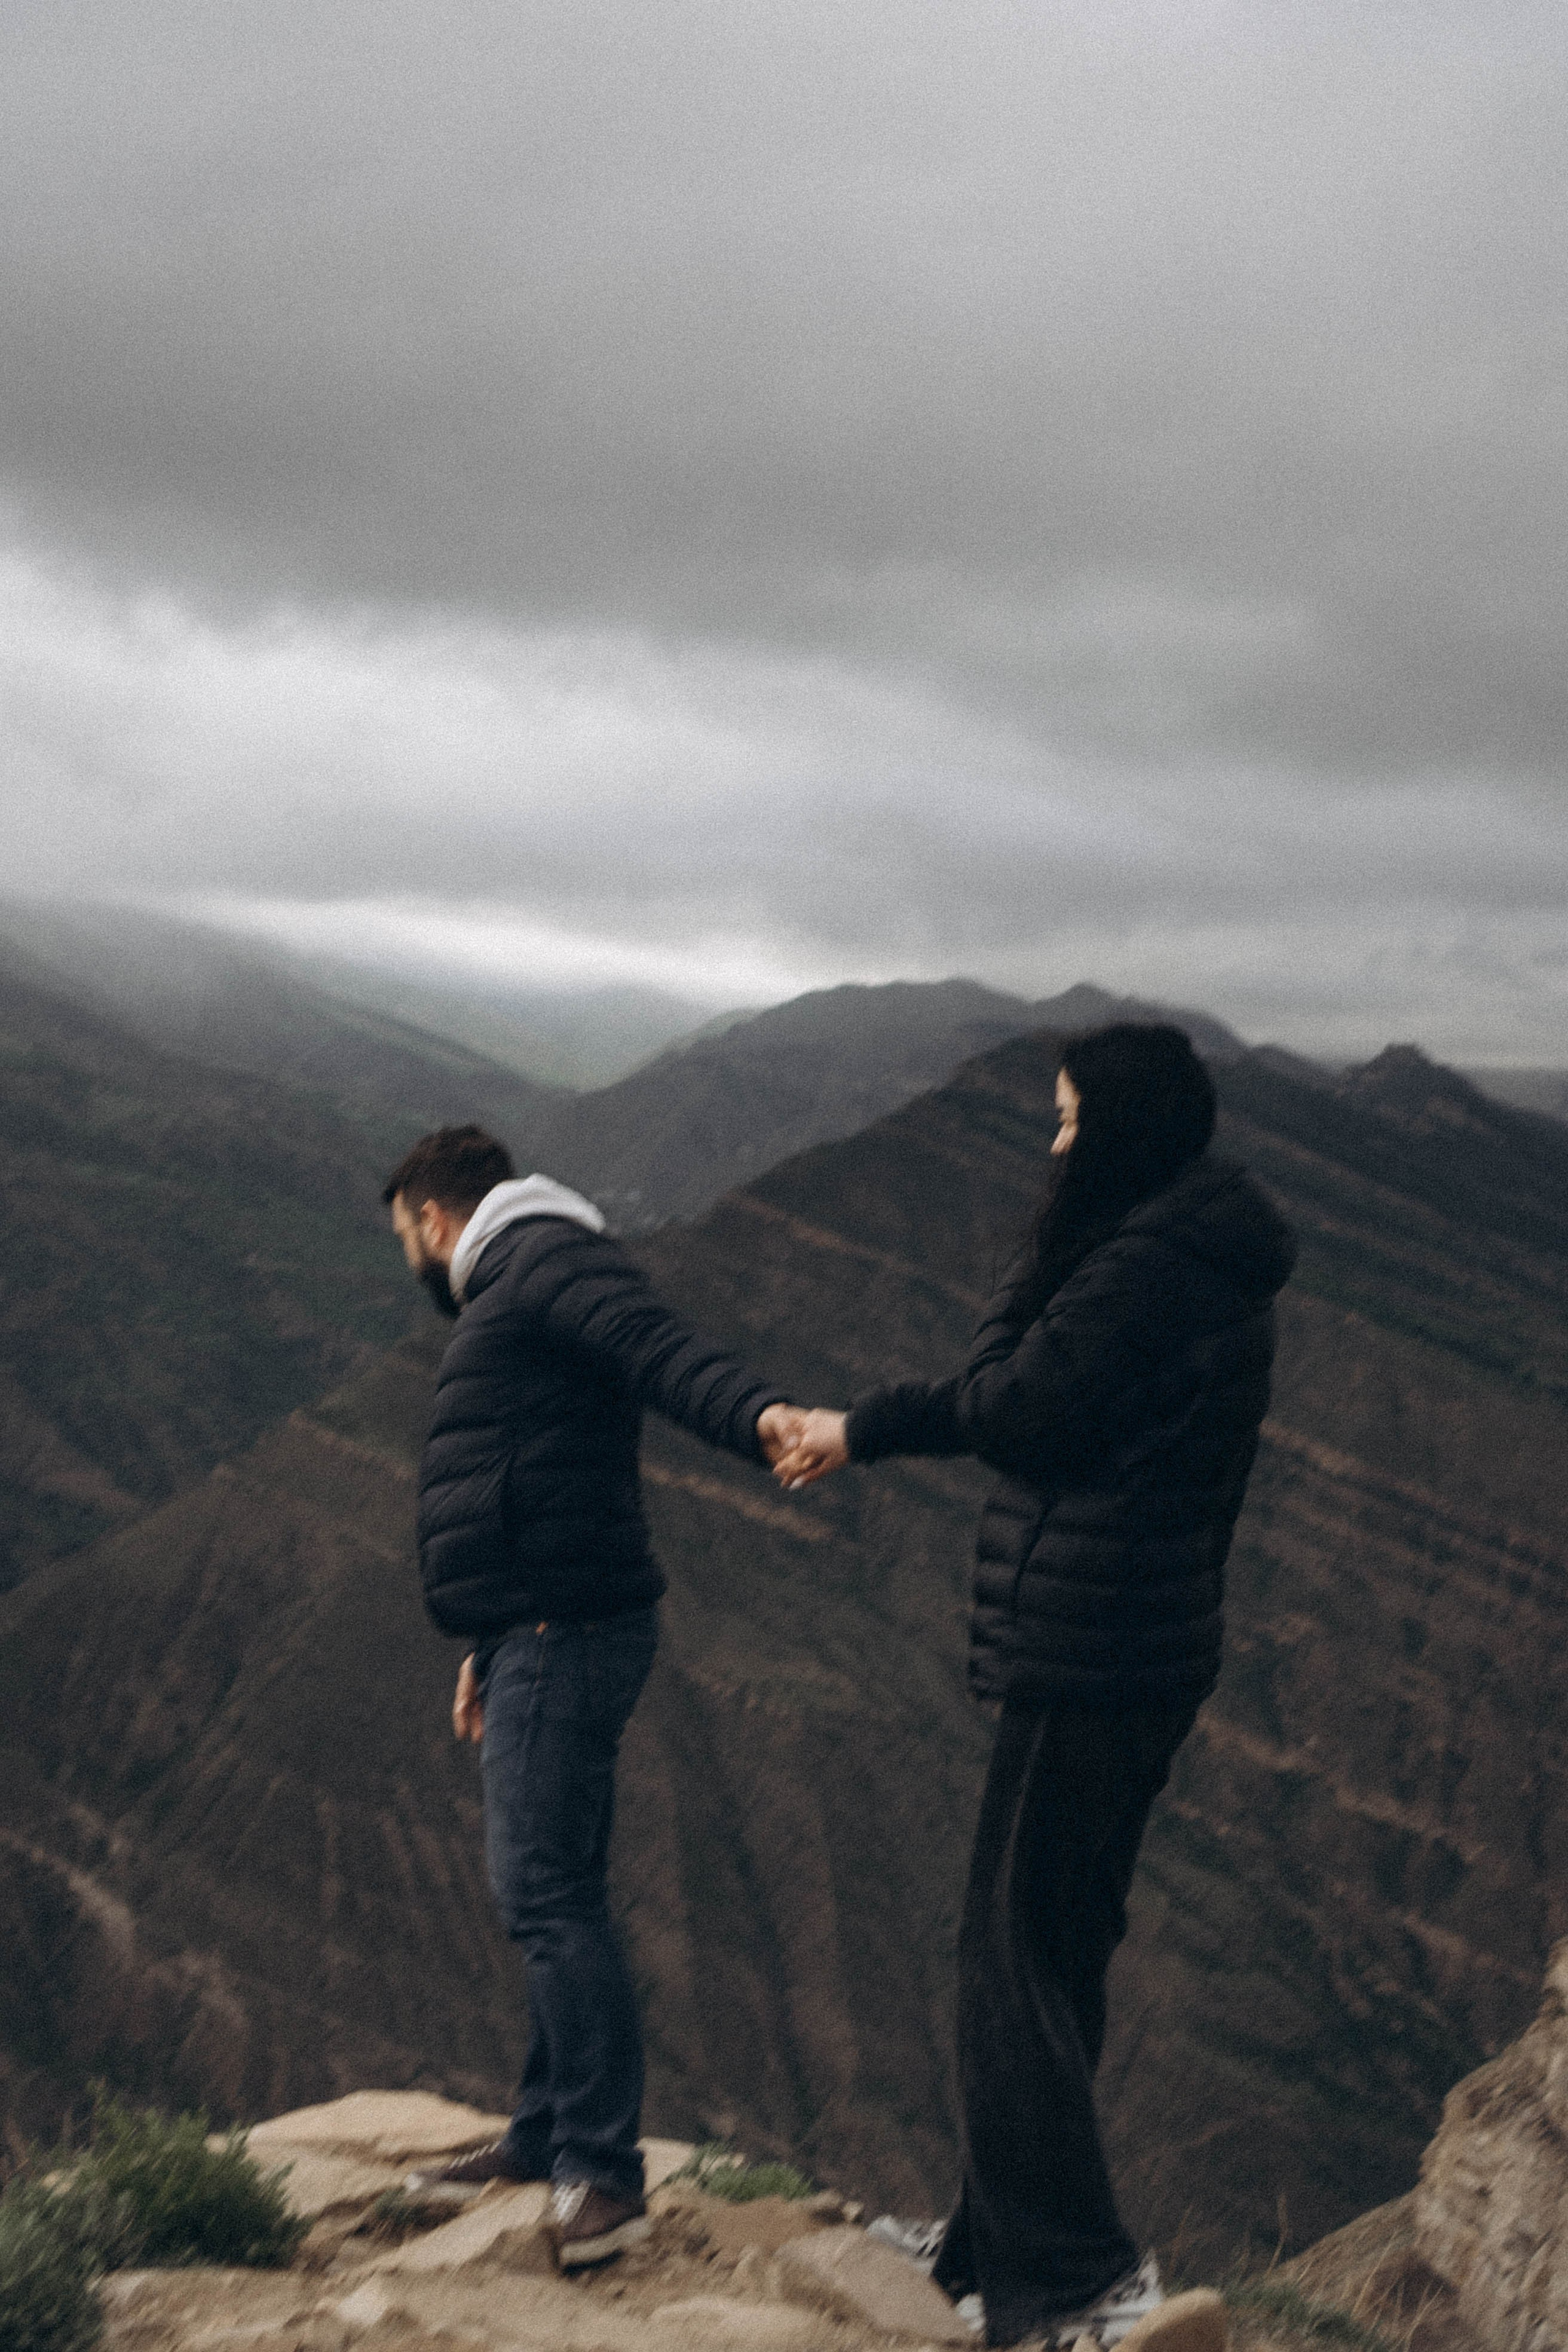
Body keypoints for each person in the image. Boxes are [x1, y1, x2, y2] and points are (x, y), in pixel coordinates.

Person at [774, 1024, 1296, 2351]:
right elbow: (1029, 1379)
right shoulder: (1176, 1249)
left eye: (1069, 1124)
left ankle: (1079, 2281)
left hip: (1096, 1644)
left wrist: (864, 1423)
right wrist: (1053, 1247)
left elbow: (1014, 1405)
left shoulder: (1145, 1266)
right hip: (1129, 1642)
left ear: (1116, 1132)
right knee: (1049, 1948)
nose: (1054, 1145)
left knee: (1007, 1956)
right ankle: (983, 2249)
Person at [383, 1125, 803, 2269]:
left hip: (566, 1631)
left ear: (432, 1220)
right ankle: (539, 2137)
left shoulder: (548, 1263)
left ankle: (603, 2175)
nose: (412, 1265)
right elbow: (529, 1463)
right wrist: (486, 1636)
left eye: (405, 1242)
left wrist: (759, 1417)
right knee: (554, 1887)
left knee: (544, 1892)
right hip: (537, 1622)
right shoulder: (523, 1278)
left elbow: (661, 1353)